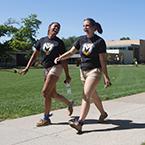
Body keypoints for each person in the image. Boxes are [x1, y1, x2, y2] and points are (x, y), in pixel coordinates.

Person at [55, 18, 111, 133]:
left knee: (86, 95)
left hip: (94, 71)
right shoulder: (80, 40)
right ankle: (103, 113)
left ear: (94, 28)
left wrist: (106, 76)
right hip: (83, 71)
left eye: (87, 25)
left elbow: (103, 61)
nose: (85, 27)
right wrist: (61, 57)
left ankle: (80, 123)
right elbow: (71, 52)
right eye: (84, 26)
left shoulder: (99, 41)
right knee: (93, 95)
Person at [20, 22, 74, 127]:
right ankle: (69, 103)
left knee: (45, 92)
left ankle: (46, 118)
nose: (57, 28)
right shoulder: (41, 41)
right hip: (46, 69)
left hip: (56, 67)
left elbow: (64, 60)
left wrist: (67, 75)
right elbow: (34, 55)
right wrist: (27, 67)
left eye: (58, 27)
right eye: (55, 26)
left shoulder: (59, 43)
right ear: (49, 28)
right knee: (52, 94)